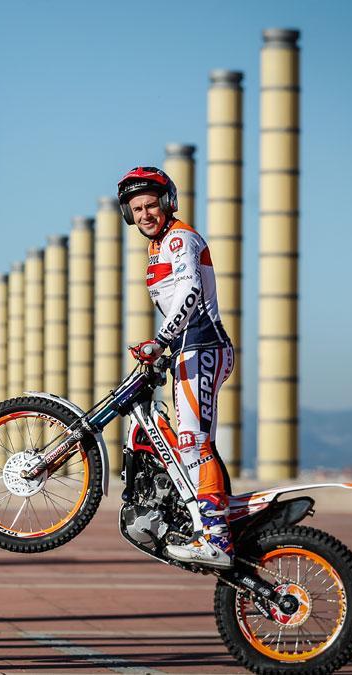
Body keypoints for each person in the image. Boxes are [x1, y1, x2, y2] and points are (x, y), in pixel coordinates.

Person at [118, 166, 236, 568]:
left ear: (168, 203)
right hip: (186, 351)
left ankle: (216, 538)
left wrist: (160, 340)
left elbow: (190, 292)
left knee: (195, 443)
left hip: (202, 345)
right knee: (188, 443)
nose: (145, 214)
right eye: (137, 209)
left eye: (151, 205)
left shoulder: (180, 238)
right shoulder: (158, 246)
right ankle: (206, 521)